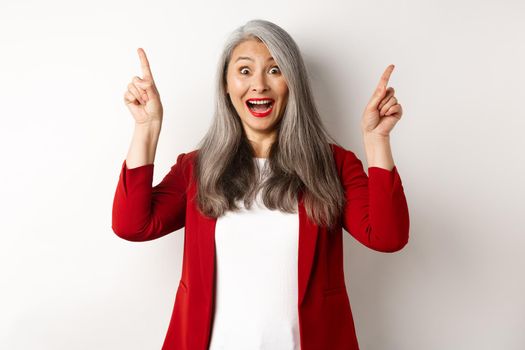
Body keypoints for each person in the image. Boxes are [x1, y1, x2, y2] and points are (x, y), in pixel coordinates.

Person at [112, 19, 409, 350]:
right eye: (244, 71)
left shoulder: (333, 164)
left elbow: (387, 236)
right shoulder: (197, 168)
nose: (259, 85)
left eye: (274, 70)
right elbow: (132, 225)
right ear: (226, 84)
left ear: (292, 83)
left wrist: (376, 139)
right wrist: (147, 126)